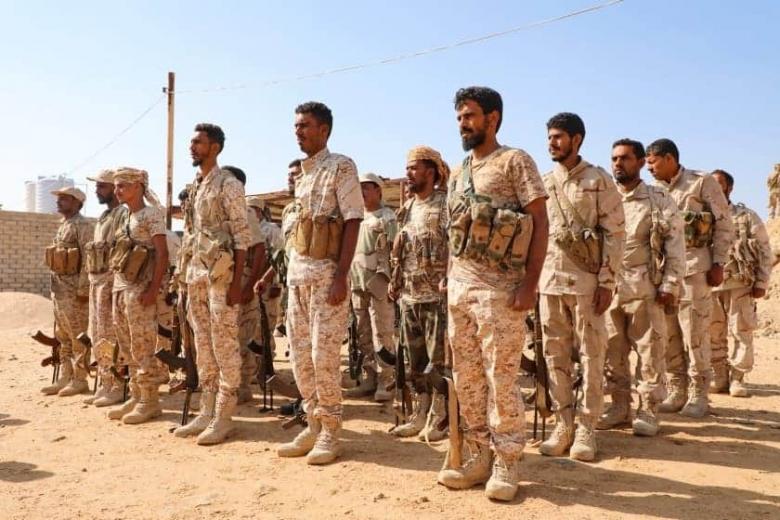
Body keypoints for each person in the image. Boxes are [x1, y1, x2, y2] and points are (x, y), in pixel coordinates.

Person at [436, 86, 548, 502]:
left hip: (501, 292)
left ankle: (507, 459)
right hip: (461, 291)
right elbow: (454, 233)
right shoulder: (459, 170)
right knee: (467, 379)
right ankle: (479, 454)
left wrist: (530, 283)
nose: (463, 124)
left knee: (500, 378)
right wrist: (449, 277)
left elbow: (540, 222)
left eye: (469, 116)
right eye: (459, 118)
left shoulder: (514, 161)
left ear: (493, 118)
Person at [277, 102, 363, 465]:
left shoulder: (341, 166)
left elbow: (352, 221)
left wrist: (341, 276)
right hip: (298, 278)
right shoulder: (303, 175)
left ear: (324, 129)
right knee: (299, 356)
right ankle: (312, 422)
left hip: (327, 278)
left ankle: (330, 430)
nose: (298, 131)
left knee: (323, 356)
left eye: (305, 125)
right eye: (296, 125)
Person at [538, 112, 625, 461]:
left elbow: (614, 234)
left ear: (576, 140)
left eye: (558, 137)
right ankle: (563, 424)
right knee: (554, 355)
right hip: (549, 282)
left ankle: (587, 426)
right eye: (549, 137)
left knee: (592, 355)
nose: (552, 143)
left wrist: (607, 280)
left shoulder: (598, 180)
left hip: (587, 283)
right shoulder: (544, 183)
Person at [598, 139, 684, 437]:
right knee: (611, 349)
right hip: (609, 287)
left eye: (624, 158)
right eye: (614, 159)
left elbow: (675, 244)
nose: (617, 164)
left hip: (646, 286)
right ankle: (619, 406)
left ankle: (648, 408)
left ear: (639, 162)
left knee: (649, 351)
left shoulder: (657, 198)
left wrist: (670, 284)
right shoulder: (605, 198)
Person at [173, 123, 252, 445]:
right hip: (195, 276)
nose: (192, 147)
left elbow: (242, 237)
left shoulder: (228, 184)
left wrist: (237, 285)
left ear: (215, 147)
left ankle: (224, 416)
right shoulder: (195, 186)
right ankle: (206, 410)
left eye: (198, 142)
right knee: (203, 346)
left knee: (224, 346)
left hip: (221, 278)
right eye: (191, 142)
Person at [646, 139, 734, 418]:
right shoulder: (653, 190)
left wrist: (719, 262)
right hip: (664, 273)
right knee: (669, 334)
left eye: (653, 162)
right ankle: (677, 390)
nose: (649, 168)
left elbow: (724, 224)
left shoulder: (701, 182)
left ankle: (699, 394)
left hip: (695, 270)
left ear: (669, 159)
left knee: (695, 334)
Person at [388, 146, 449, 443]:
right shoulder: (408, 208)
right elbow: (401, 249)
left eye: (414, 168)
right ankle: (420, 413)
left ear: (431, 171)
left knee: (437, 363)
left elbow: (456, 246)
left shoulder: (446, 204)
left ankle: (441, 416)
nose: (408, 173)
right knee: (414, 363)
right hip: (409, 297)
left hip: (436, 299)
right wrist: (395, 280)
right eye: (408, 168)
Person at [105, 167, 170, 424]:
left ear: (138, 186)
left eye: (122, 185)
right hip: (121, 288)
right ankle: (135, 394)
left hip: (140, 290)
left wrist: (153, 289)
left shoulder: (150, 215)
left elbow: (162, 253)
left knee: (143, 345)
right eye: (116, 185)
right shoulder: (124, 216)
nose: (117, 190)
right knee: (126, 344)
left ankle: (149, 401)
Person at [710, 169, 772, 397]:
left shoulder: (747, 216)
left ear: (729, 188)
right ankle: (718, 376)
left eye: (719, 184)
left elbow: (764, 250)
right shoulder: (702, 217)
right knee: (712, 333)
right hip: (709, 285)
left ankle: (737, 378)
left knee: (741, 331)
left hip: (740, 284)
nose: (714, 189)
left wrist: (761, 282)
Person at [346, 172, 398, 402]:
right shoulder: (355, 218)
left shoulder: (387, 217)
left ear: (378, 190)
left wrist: (394, 281)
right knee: (362, 333)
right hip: (357, 284)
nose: (362, 192)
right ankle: (370, 378)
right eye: (360, 188)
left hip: (379, 284)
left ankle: (387, 381)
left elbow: (396, 252)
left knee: (382, 333)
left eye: (367, 187)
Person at [41, 187, 94, 397]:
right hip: (60, 290)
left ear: (77, 202)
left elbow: (88, 260)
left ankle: (80, 379)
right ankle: (65, 376)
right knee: (62, 336)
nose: (59, 201)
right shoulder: (64, 225)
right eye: (59, 198)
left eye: (64, 198)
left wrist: (83, 289)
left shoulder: (83, 225)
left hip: (74, 293)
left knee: (78, 336)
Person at [83, 169, 128, 407]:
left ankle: (118, 385)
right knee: (98, 333)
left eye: (102, 186)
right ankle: (106, 382)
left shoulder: (123, 214)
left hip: (111, 282)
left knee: (112, 334)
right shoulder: (104, 216)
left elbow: (122, 250)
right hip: (97, 281)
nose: (97, 191)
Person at [222, 166, 267, 406]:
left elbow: (259, 249)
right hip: (222, 281)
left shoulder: (245, 212)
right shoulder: (218, 211)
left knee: (242, 335)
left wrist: (249, 285)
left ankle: (243, 386)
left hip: (241, 282)